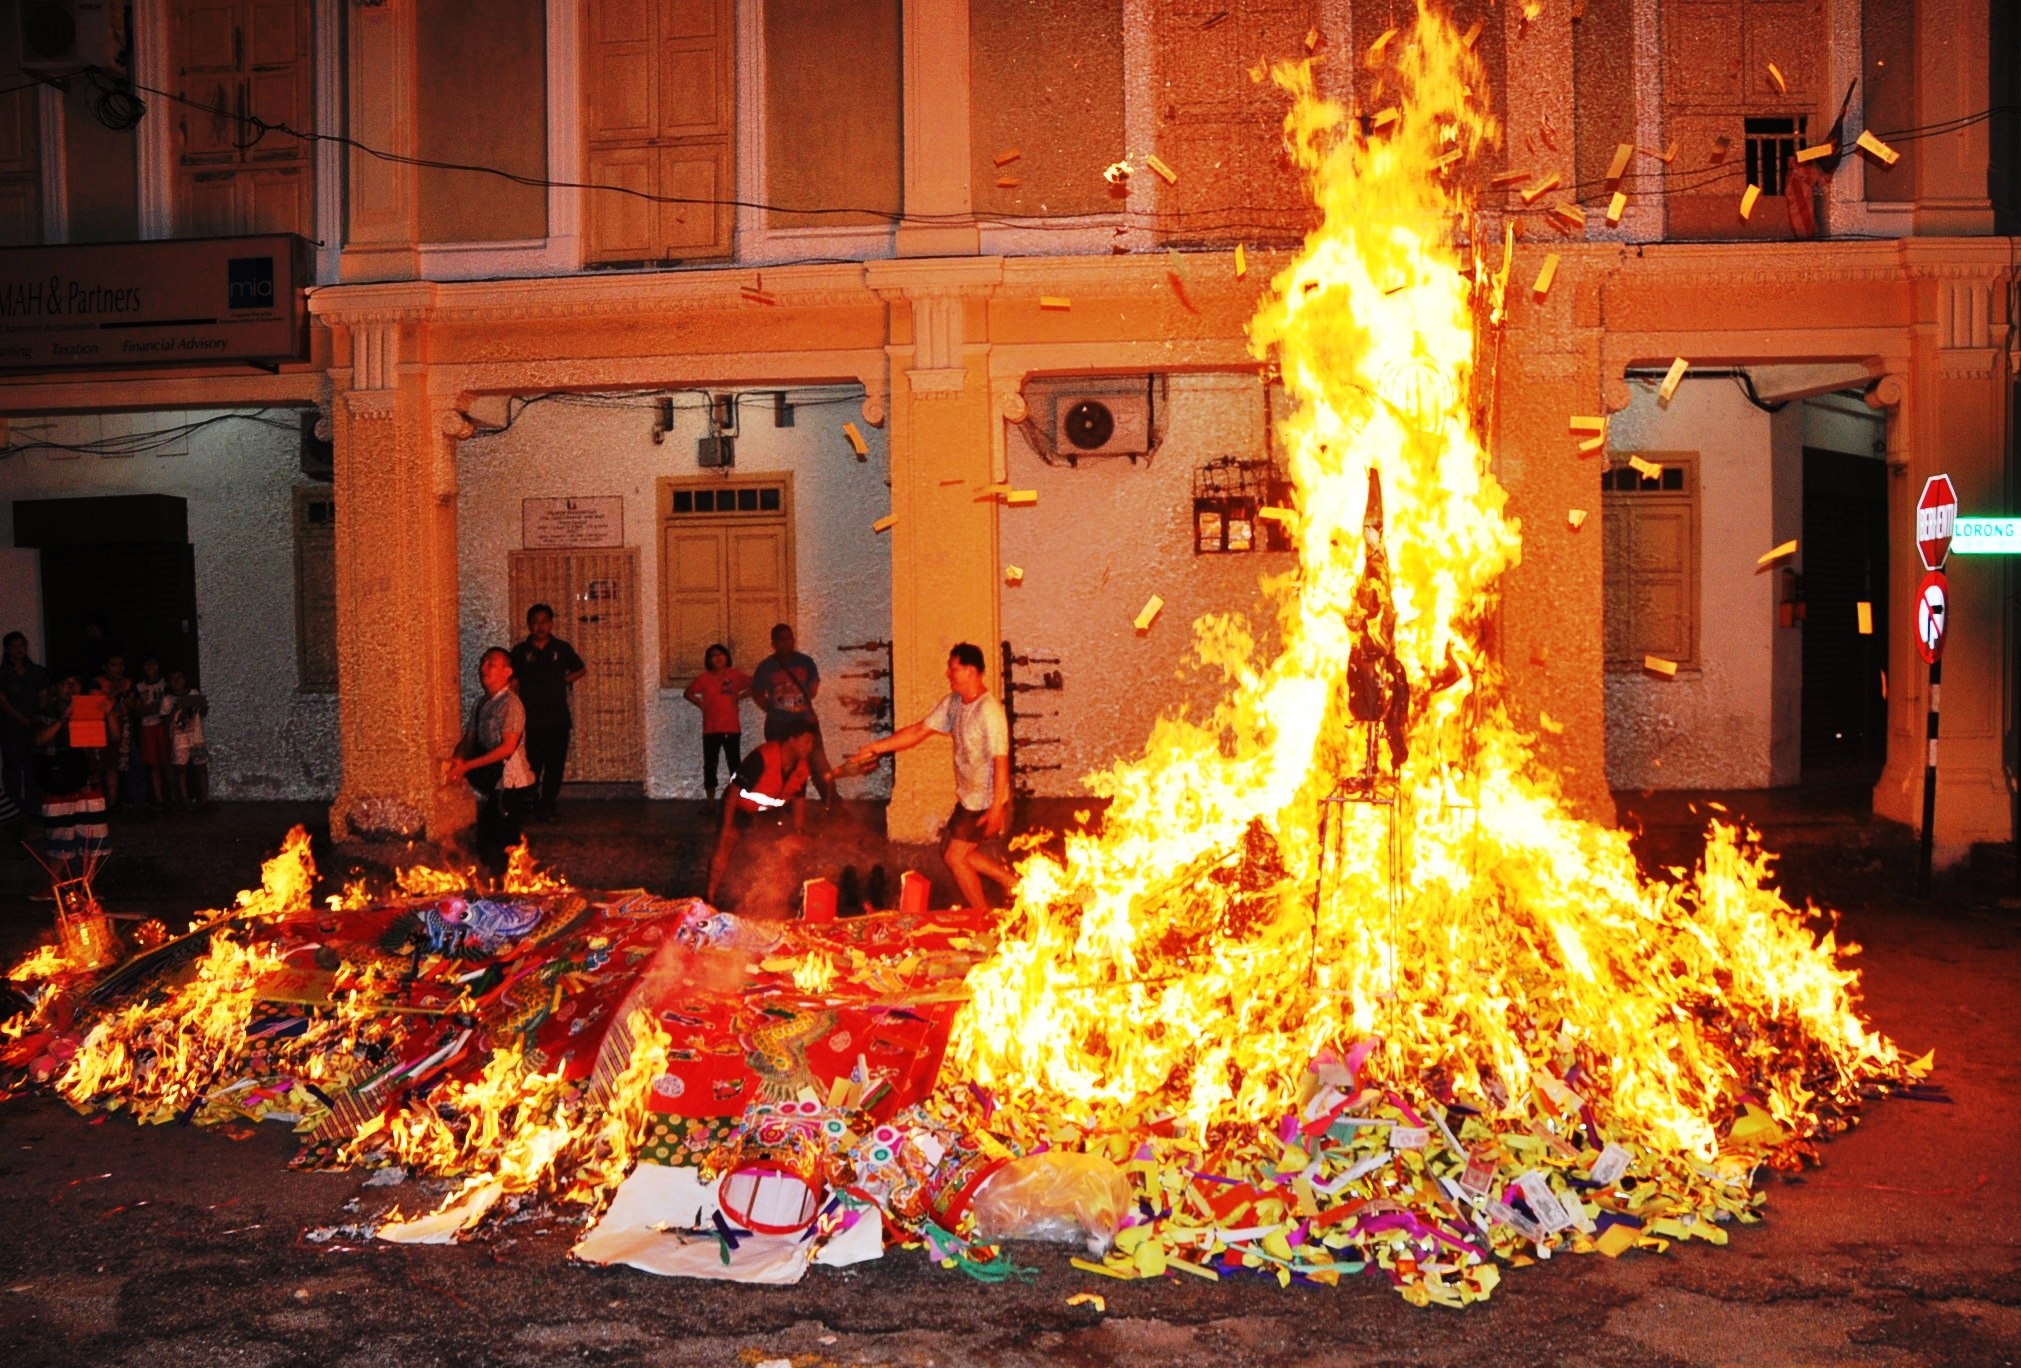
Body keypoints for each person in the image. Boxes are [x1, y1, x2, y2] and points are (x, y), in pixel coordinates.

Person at [847, 642, 1014, 913]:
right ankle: (1010, 882)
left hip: (985, 800)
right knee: (954, 851)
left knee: (955, 858)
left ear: (972, 671)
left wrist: (996, 808)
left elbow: (1001, 761)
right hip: (968, 799)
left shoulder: (989, 712)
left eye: (954, 668)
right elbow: (918, 731)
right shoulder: (954, 704)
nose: (949, 674)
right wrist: (876, 747)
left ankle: (983, 914)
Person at [704, 713, 819, 907]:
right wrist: (726, 827)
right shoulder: (763, 757)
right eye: (807, 741)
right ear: (793, 740)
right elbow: (733, 793)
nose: (811, 747)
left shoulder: (801, 766)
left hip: (768, 814)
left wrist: (798, 831)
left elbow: (799, 801)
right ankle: (709, 896)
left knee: (790, 847)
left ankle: (772, 896)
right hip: (739, 809)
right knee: (725, 842)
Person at [444, 647, 537, 873]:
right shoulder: (481, 703)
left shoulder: (511, 704)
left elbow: (507, 748)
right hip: (494, 785)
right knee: (486, 841)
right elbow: (469, 739)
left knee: (505, 845)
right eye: (483, 663)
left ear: (507, 672)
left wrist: (467, 767)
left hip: (512, 785)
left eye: (491, 664)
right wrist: (456, 761)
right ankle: (498, 888)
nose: (483, 668)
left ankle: (511, 894)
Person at [508, 604, 586, 821]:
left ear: (551, 623)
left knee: (555, 765)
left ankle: (549, 805)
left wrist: (561, 681)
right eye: (535, 621)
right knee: (532, 764)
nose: (540, 626)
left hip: (557, 718)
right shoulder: (520, 652)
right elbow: (511, 680)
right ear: (528, 624)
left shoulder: (561, 648)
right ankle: (530, 804)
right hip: (531, 719)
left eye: (544, 621)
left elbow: (580, 669)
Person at [33, 673, 113, 879]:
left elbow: (115, 735)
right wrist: (62, 720)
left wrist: (109, 714)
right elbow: (39, 740)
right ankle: (55, 886)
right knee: (60, 835)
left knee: (92, 835)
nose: (71, 687)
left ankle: (88, 887)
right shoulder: (45, 713)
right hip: (59, 782)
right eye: (65, 683)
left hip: (88, 782)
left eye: (75, 682)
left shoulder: (92, 709)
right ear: (55, 689)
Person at [750, 623, 837, 806]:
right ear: (773, 643)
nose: (785, 643)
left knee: (818, 763)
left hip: (804, 720)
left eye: (788, 638)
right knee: (781, 765)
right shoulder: (766, 666)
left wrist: (796, 705)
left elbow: (813, 689)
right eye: (780, 640)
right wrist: (774, 709)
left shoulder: (805, 662)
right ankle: (784, 806)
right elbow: (757, 693)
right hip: (778, 723)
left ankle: (832, 805)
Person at [682, 643, 751, 799]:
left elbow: (756, 685)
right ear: (709, 660)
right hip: (711, 729)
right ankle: (711, 801)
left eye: (721, 654)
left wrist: (740, 697)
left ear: (727, 657)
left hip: (731, 728)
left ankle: (737, 800)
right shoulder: (704, 678)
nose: (718, 658)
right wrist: (700, 704)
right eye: (714, 655)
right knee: (710, 766)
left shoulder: (735, 675)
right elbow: (688, 693)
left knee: (734, 765)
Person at [0, 631, 50, 816]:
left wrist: (38, 715)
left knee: (33, 767)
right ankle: (15, 809)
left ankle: (34, 808)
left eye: (22, 645)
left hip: (34, 725)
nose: (20, 649)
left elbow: (43, 695)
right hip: (11, 728)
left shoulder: (36, 671)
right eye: (15, 646)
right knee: (13, 768)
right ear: (7, 649)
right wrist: (23, 719)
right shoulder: (3, 674)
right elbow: (3, 702)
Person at [162, 668, 209, 809]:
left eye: (179, 678)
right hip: (179, 740)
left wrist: (199, 705)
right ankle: (185, 800)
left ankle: (204, 799)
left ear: (184, 680)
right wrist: (177, 707)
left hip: (196, 737)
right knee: (181, 770)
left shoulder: (193, 693)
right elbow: (165, 721)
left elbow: (204, 712)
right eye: (173, 679)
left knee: (201, 768)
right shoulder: (168, 699)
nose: (177, 682)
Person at [131, 656, 170, 811]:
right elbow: (137, 709)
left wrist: (150, 709)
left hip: (161, 726)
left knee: (166, 762)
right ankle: (159, 799)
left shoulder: (165, 684)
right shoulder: (139, 687)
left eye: (153, 664)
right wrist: (151, 709)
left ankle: (172, 796)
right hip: (146, 727)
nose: (150, 668)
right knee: (153, 764)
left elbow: (165, 707)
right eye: (147, 664)